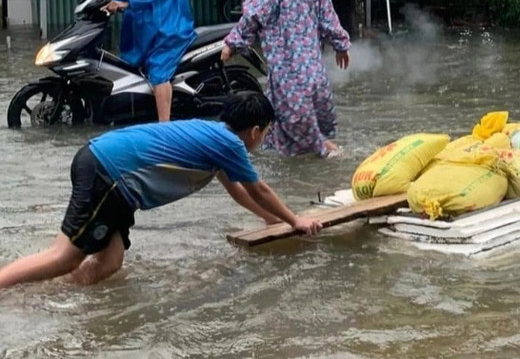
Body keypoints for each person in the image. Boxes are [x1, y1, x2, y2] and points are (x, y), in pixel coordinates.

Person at [0, 92, 322, 289]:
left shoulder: (216, 138)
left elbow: (239, 192)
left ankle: (48, 294)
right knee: (65, 256)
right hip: (108, 173)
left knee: (110, 262)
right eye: (265, 133)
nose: (262, 139)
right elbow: (259, 189)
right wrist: (295, 221)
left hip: (111, 175)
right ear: (255, 131)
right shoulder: (230, 144)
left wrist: (272, 221)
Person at [221, 0, 351, 158]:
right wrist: (341, 46)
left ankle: (330, 154)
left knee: (310, 138)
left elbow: (253, 15)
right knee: (276, 129)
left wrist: (233, 43)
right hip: (314, 73)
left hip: (288, 74)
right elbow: (329, 19)